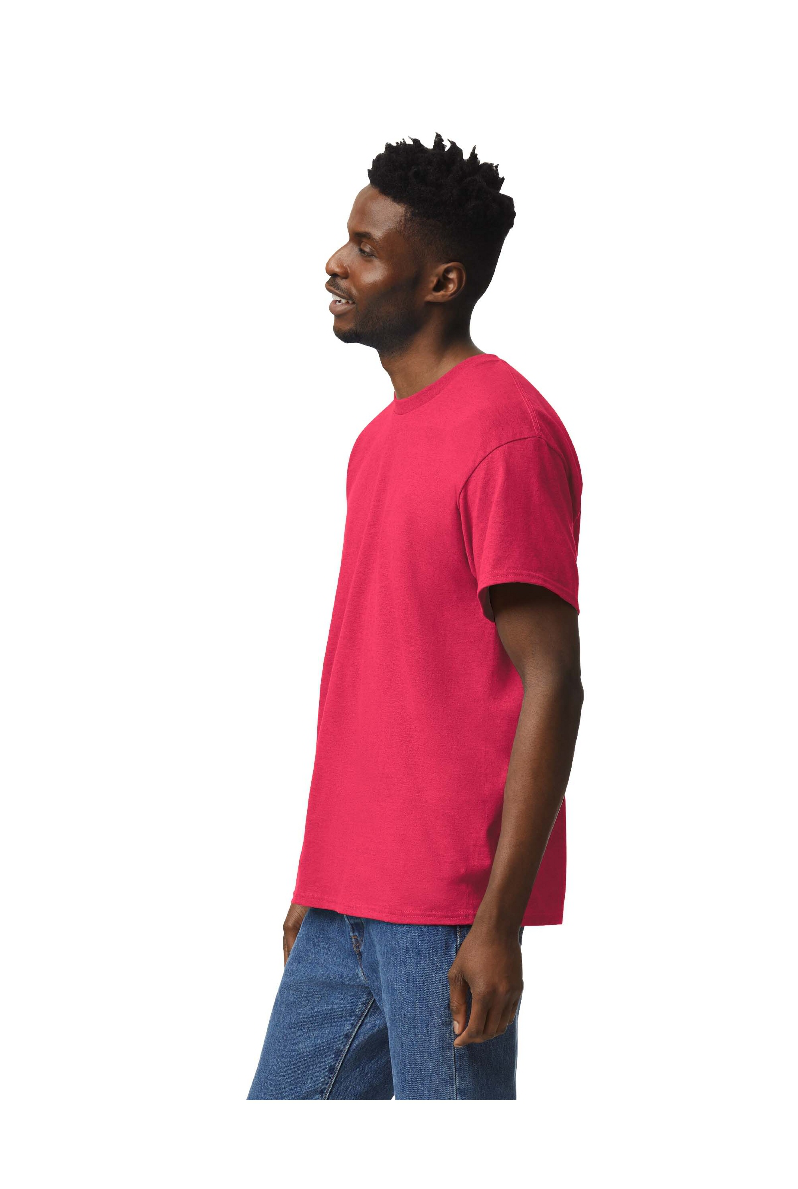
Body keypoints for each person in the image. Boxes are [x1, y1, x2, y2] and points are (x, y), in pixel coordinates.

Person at [247, 134, 583, 1100]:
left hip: (445, 909)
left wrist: (499, 921)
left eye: (365, 247)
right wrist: (318, 876)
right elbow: (377, 678)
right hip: (343, 899)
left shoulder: (506, 436)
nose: (335, 263)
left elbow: (553, 682)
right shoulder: (376, 443)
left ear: (441, 282)